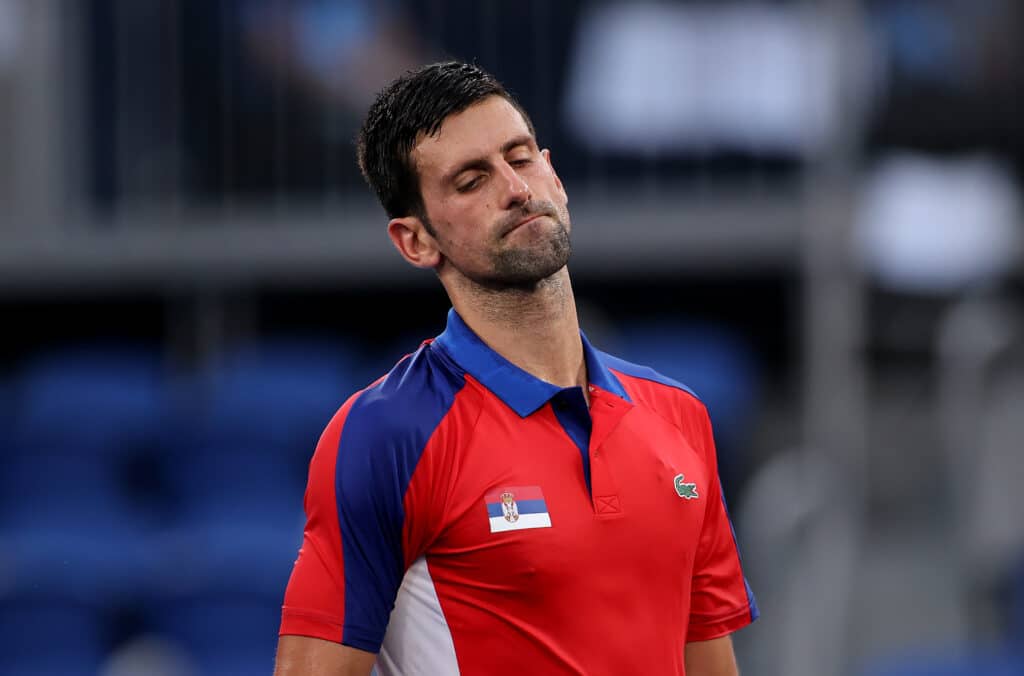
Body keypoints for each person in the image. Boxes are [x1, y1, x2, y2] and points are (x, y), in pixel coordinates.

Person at [273, 61, 758, 676]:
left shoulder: (679, 416)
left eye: (521, 158)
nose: (514, 188)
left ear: (553, 173)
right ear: (415, 241)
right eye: (472, 180)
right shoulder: (386, 432)